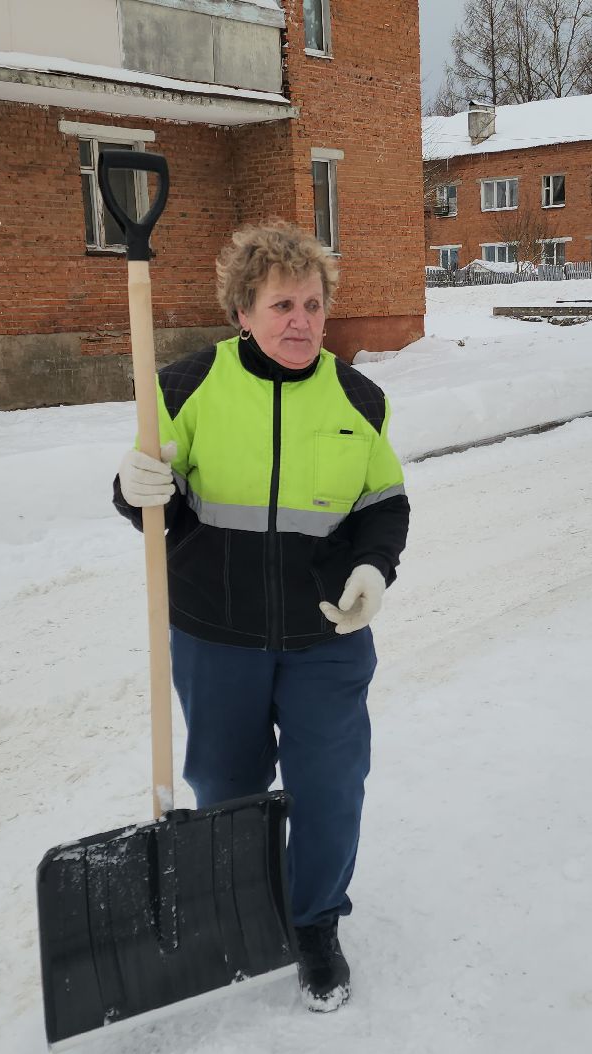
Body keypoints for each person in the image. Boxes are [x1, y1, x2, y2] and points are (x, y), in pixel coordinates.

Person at [112, 221, 409, 1012]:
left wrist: (373, 569)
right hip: (216, 636)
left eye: (313, 304)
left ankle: (315, 923)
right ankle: (241, 908)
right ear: (243, 312)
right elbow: (154, 496)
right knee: (227, 786)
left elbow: (384, 503)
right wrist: (134, 488)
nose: (301, 321)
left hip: (326, 637)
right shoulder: (186, 386)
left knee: (330, 787)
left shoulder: (358, 398)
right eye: (282, 305)